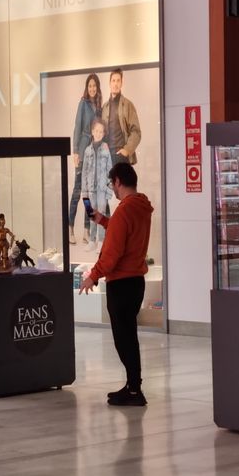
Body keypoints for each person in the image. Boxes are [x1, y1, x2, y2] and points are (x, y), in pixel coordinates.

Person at [79, 161, 154, 406]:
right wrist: (102, 219)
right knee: (129, 335)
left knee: (124, 338)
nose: (113, 187)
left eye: (112, 183)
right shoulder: (140, 207)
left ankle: (134, 389)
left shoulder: (124, 210)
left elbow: (112, 253)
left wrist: (93, 275)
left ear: (118, 182)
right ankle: (133, 386)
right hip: (136, 281)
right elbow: (124, 233)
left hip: (121, 284)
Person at [69, 72, 102, 215]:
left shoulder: (99, 106)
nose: (92, 88)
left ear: (97, 87)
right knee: (78, 190)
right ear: (87, 87)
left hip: (94, 152)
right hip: (83, 150)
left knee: (89, 193)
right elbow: (77, 126)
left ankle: (87, 230)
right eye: (90, 86)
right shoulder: (83, 103)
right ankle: (69, 226)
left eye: (94, 86)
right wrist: (75, 151)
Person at [75, 117, 113, 247]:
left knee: (101, 214)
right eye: (96, 131)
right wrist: (84, 193)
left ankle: (101, 241)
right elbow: (84, 172)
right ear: (92, 131)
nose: (98, 134)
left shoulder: (106, 149)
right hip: (90, 190)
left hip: (102, 190)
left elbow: (110, 170)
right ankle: (92, 240)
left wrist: (109, 190)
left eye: (101, 132)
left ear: (103, 134)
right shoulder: (87, 151)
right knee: (91, 214)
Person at [101, 69, 142, 165]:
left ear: (122, 83)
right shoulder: (104, 107)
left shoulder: (128, 105)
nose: (115, 84)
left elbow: (136, 131)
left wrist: (127, 150)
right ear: (109, 83)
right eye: (113, 80)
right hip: (107, 156)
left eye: (118, 81)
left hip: (122, 155)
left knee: (122, 180)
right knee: (108, 180)